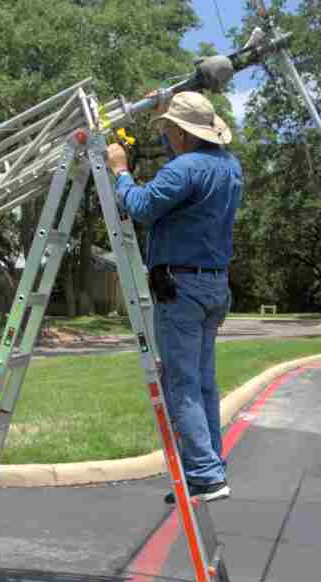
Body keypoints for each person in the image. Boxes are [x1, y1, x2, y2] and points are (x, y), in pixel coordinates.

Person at [106, 91, 242, 504]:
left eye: (167, 129)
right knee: (202, 383)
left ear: (182, 134)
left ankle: (203, 474)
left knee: (181, 385)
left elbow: (143, 206)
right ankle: (209, 465)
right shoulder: (229, 167)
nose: (163, 136)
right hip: (214, 285)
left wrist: (120, 171)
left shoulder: (183, 169)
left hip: (181, 288)